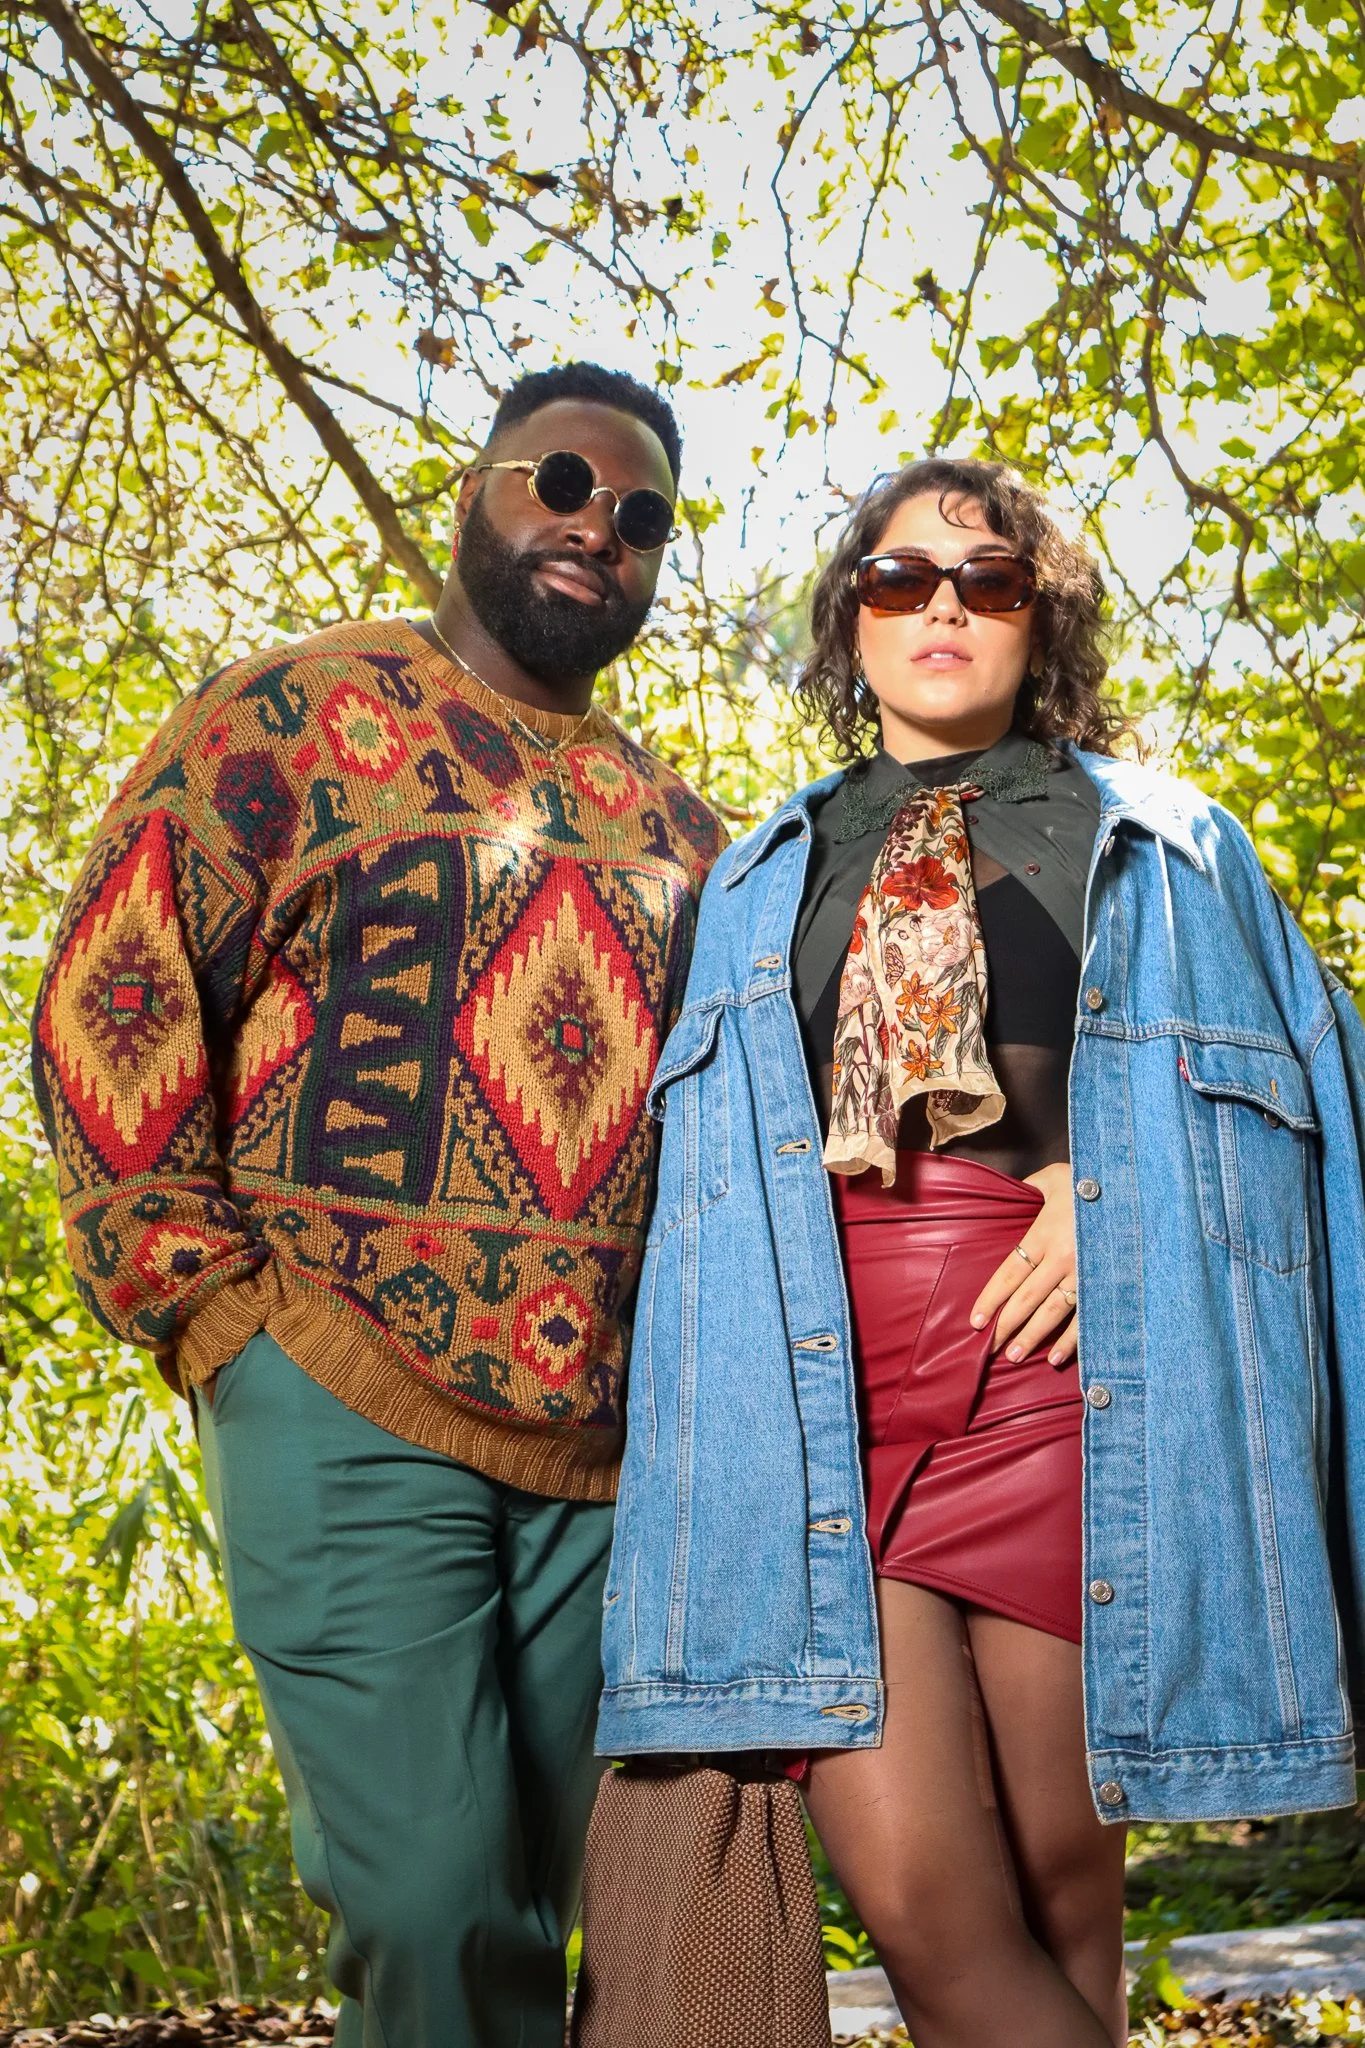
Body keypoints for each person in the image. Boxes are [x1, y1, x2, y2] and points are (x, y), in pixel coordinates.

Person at [592, 457, 1365, 2048]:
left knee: (1068, 1902)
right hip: (823, 1402)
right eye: (899, 578)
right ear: (852, 624)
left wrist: (1118, 1193)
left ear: (1039, 621)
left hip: (1070, 1386)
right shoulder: (756, 878)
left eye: (988, 580)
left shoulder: (1165, 845)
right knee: (933, 1914)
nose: (942, 603)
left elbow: (1318, 1116)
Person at [31, 361, 725, 2048]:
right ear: (475, 491)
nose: (596, 531)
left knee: (525, 1912)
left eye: (640, 517)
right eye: (559, 483)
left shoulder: (685, 831)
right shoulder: (288, 716)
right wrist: (208, 1302)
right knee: (423, 1897)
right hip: (338, 1383)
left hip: (600, 1446)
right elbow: (114, 989)